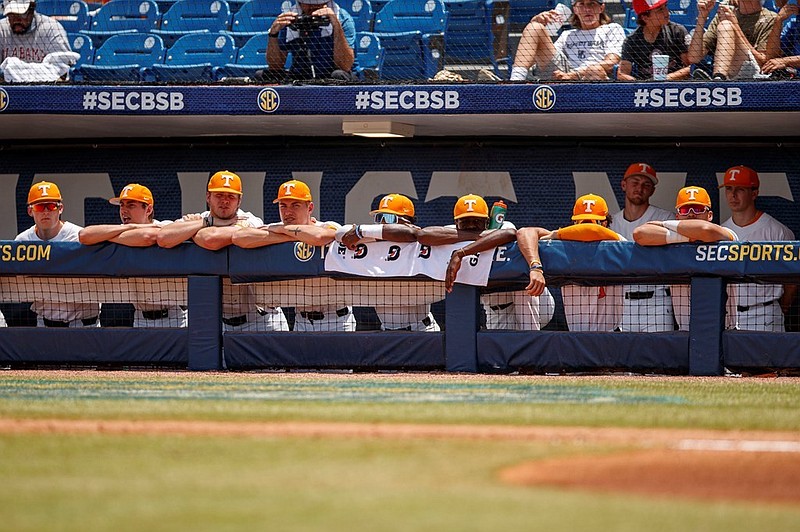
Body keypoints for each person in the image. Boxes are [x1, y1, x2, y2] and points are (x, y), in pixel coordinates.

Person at [157, 170, 288, 332]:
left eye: (231, 196)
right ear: (208, 197)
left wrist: (194, 232)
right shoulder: (201, 218)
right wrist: (208, 222)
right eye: (219, 195)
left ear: (239, 201)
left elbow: (210, 240)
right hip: (218, 322)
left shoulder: (249, 220)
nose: (225, 201)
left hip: (261, 318)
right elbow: (163, 237)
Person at [233, 179, 355, 332]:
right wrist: (288, 234)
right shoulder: (278, 228)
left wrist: (285, 230)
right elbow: (239, 237)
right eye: (283, 206)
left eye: (295, 205)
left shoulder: (327, 225)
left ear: (309, 207)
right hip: (301, 321)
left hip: (337, 319)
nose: (288, 212)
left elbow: (320, 236)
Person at [420, 194, 554, 331]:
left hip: (536, 300)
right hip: (497, 311)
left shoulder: (502, 226)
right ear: (456, 223)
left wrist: (461, 252)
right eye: (465, 221)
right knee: (499, 349)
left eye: (477, 221)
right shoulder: (451, 232)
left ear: (487, 221)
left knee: (521, 283)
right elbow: (425, 235)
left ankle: (531, 343)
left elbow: (511, 233)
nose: (471, 225)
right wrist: (475, 237)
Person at [79, 183, 186, 328]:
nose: (124, 210)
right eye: (122, 205)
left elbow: (148, 236)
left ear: (148, 209)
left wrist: (110, 236)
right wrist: (130, 227)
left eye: (131, 205)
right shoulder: (121, 230)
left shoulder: (164, 226)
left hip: (175, 317)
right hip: (140, 318)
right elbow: (85, 235)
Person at [633, 186, 738, 331]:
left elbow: (705, 230)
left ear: (710, 215)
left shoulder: (725, 235)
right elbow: (640, 233)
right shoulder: (671, 242)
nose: (691, 214)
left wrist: (664, 225)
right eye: (685, 210)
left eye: (698, 209)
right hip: (685, 331)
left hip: (724, 330)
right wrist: (685, 235)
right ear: (677, 216)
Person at [335, 193, 440, 332]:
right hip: (387, 331)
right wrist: (372, 234)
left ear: (408, 221)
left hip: (421, 328)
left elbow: (414, 233)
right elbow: (341, 233)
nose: (383, 223)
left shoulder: (418, 241)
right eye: (379, 218)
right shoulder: (370, 243)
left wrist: (371, 234)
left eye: (389, 218)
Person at [719, 166, 796, 332]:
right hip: (729, 314)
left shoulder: (777, 231)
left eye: (740, 189)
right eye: (729, 189)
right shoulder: (720, 232)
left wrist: (777, 306)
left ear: (754, 193)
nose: (733, 195)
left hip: (765, 312)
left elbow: (792, 281)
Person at [16, 180, 100, 328]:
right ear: (30, 211)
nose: (46, 211)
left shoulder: (79, 237)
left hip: (84, 325)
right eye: (40, 206)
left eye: (51, 206)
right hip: (45, 324)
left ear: (60, 208)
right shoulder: (23, 241)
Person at [610, 163, 675, 332]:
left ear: (652, 190)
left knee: (660, 354)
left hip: (657, 301)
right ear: (624, 185)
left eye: (646, 184)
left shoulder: (665, 218)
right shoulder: (611, 223)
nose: (640, 188)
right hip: (623, 303)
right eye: (635, 182)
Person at [509, 0, 625, 81]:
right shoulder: (567, 35)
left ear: (601, 8)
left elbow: (612, 62)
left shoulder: (612, 28)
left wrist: (574, 74)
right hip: (564, 74)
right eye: (581, 4)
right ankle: (515, 84)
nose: (587, 9)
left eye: (592, 4)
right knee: (534, 26)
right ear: (575, 9)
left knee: (594, 70)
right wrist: (538, 24)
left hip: (593, 77)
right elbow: (537, 62)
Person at [266, 0, 356, 81]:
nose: (313, 7)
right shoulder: (290, 18)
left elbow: (345, 66)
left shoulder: (343, 18)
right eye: (308, 4)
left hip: (333, 75)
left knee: (338, 75)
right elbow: (275, 66)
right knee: (264, 75)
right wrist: (273, 34)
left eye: (318, 3)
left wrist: (336, 26)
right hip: (301, 74)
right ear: (300, 3)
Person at [687, 0, 777, 80]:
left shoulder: (770, 18)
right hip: (727, 72)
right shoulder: (725, 14)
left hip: (753, 72)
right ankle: (718, 79)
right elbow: (694, 57)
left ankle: (719, 79)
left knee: (726, 25)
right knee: (725, 25)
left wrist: (735, 25)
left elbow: (763, 62)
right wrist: (702, 16)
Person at [0, 0, 73, 81]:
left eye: (21, 15)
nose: (16, 20)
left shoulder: (51, 28)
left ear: (31, 10)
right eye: (12, 15)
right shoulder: (1, 29)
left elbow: (63, 73)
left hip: (45, 89)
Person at [617, 0, 691, 80]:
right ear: (645, 18)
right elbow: (622, 74)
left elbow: (690, 67)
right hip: (645, 89)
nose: (666, 12)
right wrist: (640, 85)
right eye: (660, 10)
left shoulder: (677, 31)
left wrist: (666, 78)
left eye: (665, 6)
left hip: (676, 86)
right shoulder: (632, 41)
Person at [763, 0, 800, 76]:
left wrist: (785, 61)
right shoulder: (793, 25)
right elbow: (771, 56)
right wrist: (778, 21)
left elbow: (781, 61)